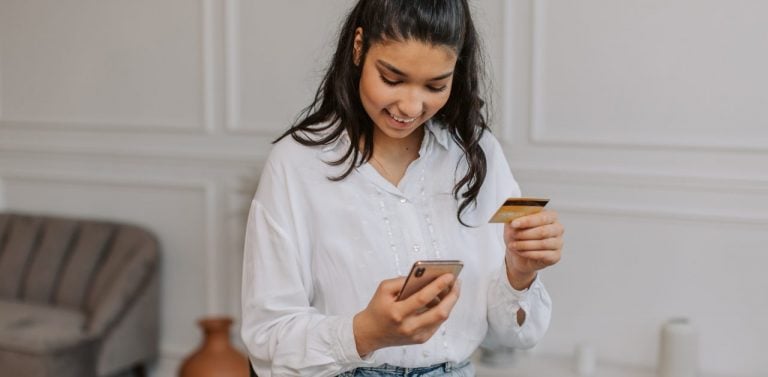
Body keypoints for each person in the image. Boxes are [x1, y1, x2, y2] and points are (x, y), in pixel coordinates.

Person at [241, 0, 564, 376]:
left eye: (435, 85)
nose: (411, 106)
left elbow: (512, 337)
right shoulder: (296, 164)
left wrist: (520, 273)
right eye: (392, 79)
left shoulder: (479, 154)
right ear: (359, 47)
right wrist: (364, 333)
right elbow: (266, 336)